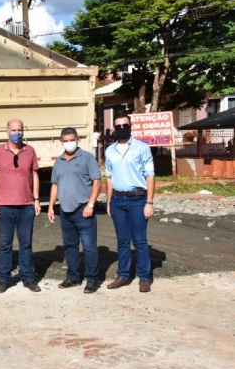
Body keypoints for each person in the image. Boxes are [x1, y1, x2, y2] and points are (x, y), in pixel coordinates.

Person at [0, 118, 41, 293]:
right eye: (13, 130)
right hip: (4, 206)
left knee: (26, 244)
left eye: (20, 130)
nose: (17, 133)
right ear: (7, 132)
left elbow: (34, 175)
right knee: (5, 244)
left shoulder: (30, 150)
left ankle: (28, 278)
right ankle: (4, 279)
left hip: (26, 206)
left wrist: (36, 199)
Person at [47, 127, 102, 293]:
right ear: (61, 141)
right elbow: (55, 185)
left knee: (89, 247)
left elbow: (97, 181)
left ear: (77, 140)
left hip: (83, 210)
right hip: (65, 211)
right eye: (66, 140)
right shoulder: (59, 161)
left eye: (72, 140)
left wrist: (90, 204)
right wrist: (51, 206)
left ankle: (92, 279)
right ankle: (73, 277)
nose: (69, 143)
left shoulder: (87, 158)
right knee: (70, 246)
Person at [105, 113, 156, 293]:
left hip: (137, 199)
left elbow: (150, 176)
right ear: (114, 129)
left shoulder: (142, 148)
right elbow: (109, 178)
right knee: (122, 241)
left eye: (124, 125)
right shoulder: (110, 150)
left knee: (140, 240)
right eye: (117, 126)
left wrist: (149, 202)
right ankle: (123, 275)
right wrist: (109, 201)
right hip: (118, 200)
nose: (121, 129)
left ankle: (144, 277)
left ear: (130, 126)